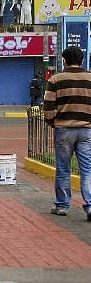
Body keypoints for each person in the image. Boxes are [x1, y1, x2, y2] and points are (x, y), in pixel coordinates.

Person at [43, 46, 91, 218]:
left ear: (64, 61)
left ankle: (62, 205)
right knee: (87, 169)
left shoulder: (56, 79)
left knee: (63, 169)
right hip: (86, 130)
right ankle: (90, 205)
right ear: (82, 61)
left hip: (63, 130)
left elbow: (48, 106)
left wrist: (52, 123)